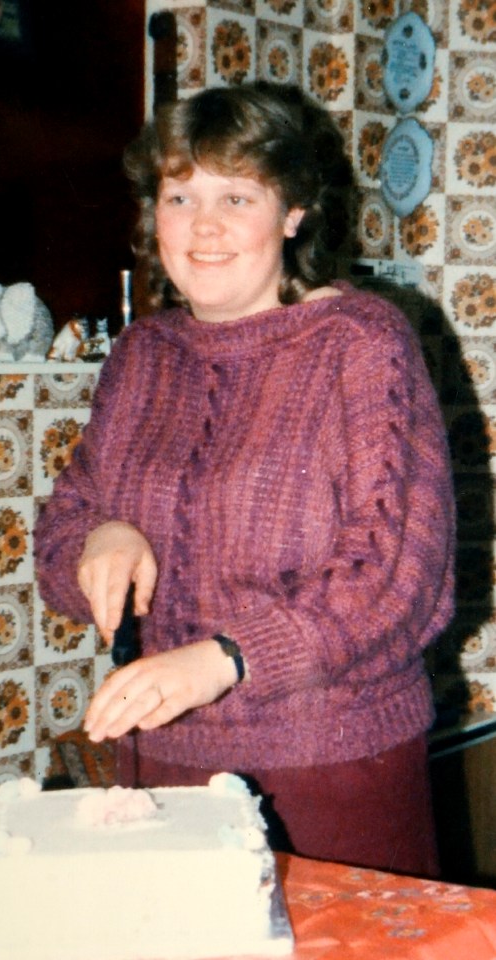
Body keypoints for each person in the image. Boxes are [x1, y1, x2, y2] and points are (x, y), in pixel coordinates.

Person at [34, 82, 455, 876]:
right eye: (179, 195)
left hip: (326, 769)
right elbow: (65, 534)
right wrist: (104, 536)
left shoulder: (361, 343)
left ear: (292, 212)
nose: (203, 226)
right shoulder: (141, 357)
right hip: (161, 763)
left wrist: (224, 659)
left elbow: (396, 576)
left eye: (235, 195)